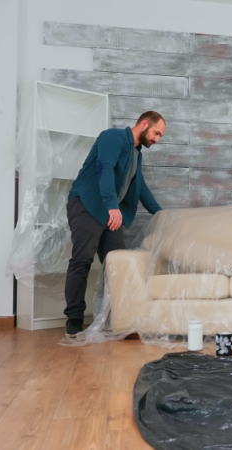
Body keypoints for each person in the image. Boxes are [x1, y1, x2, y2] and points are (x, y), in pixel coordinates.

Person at [63, 111, 165, 338]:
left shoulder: (136, 154)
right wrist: (112, 206)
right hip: (88, 205)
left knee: (117, 265)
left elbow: (141, 189)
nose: (157, 139)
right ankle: (74, 319)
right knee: (82, 260)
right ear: (144, 124)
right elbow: (104, 168)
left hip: (110, 213)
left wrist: (161, 215)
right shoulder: (113, 137)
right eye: (157, 133)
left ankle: (114, 318)